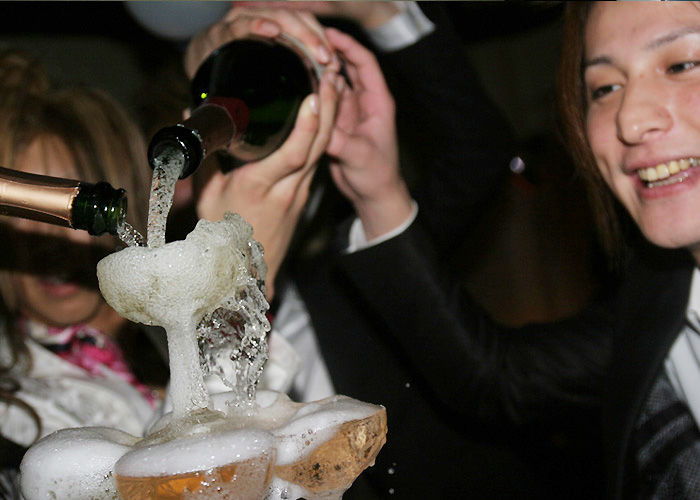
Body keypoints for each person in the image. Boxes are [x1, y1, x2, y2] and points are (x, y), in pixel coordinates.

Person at [178, 4, 586, 500]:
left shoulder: (363, 269)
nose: (188, 183)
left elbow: (477, 155)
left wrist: (382, 12)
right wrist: (228, 282)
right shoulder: (167, 350)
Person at [305, 3, 700, 500]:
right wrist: (376, 190)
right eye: (604, 88)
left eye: (682, 64)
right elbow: (498, 381)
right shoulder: (662, 303)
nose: (631, 120)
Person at [0, 48, 165, 497]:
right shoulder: (16, 412)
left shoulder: (171, 342)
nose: (45, 242)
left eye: (63, 214)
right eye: (23, 215)